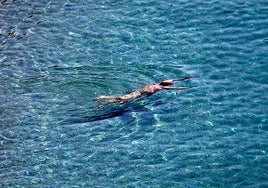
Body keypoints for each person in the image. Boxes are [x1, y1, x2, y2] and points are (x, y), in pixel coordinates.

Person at [93, 75, 195, 104]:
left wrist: (185, 78)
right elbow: (176, 88)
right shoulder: (162, 87)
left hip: (139, 91)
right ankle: (103, 98)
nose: (171, 82)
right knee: (122, 99)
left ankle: (106, 101)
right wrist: (188, 87)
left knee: (123, 100)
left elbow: (175, 80)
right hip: (141, 94)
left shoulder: (157, 83)